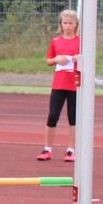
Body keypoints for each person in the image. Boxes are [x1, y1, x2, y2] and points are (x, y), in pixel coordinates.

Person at [36, 9, 79, 162]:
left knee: (73, 118)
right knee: (53, 115)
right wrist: (56, 60)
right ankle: (47, 149)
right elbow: (48, 60)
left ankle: (71, 150)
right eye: (65, 23)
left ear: (76, 25)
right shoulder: (55, 41)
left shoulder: (80, 42)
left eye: (71, 23)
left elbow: (87, 59)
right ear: (61, 24)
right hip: (59, 85)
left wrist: (76, 58)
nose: (68, 26)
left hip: (75, 85)